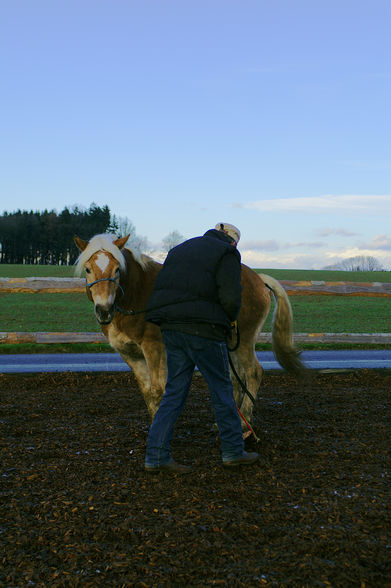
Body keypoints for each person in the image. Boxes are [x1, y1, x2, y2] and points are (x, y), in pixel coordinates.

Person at [144, 223, 259, 473]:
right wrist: (230, 320)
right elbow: (230, 296)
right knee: (221, 389)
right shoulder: (226, 253)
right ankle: (232, 451)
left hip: (171, 328)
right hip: (204, 330)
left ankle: (155, 456)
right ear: (232, 241)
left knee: (174, 392)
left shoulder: (179, 250)